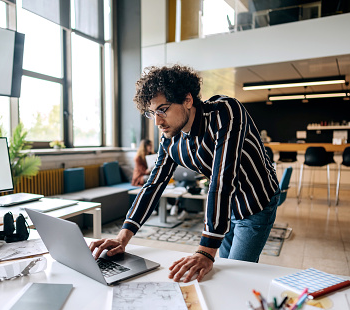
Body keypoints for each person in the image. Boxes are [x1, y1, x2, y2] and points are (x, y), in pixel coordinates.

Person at [90, 65, 280, 283]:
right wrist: (122, 237)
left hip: (255, 201)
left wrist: (205, 251)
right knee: (222, 269)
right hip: (224, 207)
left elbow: (222, 180)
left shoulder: (225, 112)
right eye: (152, 113)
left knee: (235, 276)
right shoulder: (170, 140)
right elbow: (153, 186)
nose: (158, 122)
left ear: (188, 100)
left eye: (163, 109)